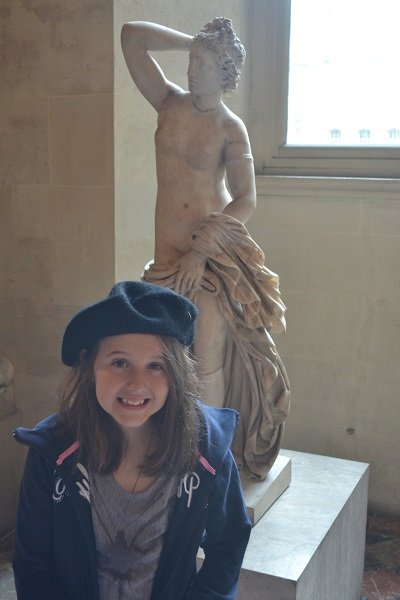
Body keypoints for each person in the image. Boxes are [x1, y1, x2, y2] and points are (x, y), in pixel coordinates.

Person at [121, 18, 290, 479]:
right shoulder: (168, 104)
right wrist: (192, 42)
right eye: (192, 61)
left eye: (204, 63)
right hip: (166, 261)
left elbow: (246, 197)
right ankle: (167, 446)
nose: (193, 70)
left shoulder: (229, 127)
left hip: (208, 259)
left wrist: (203, 249)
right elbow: (131, 36)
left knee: (207, 341)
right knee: (156, 352)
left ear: (225, 72)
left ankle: (207, 454)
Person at [12, 281, 251, 600]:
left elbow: (228, 545)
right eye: (119, 362)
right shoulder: (53, 452)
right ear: (90, 367)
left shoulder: (207, 451)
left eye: (156, 366)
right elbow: (34, 564)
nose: (137, 383)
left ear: (176, 375)